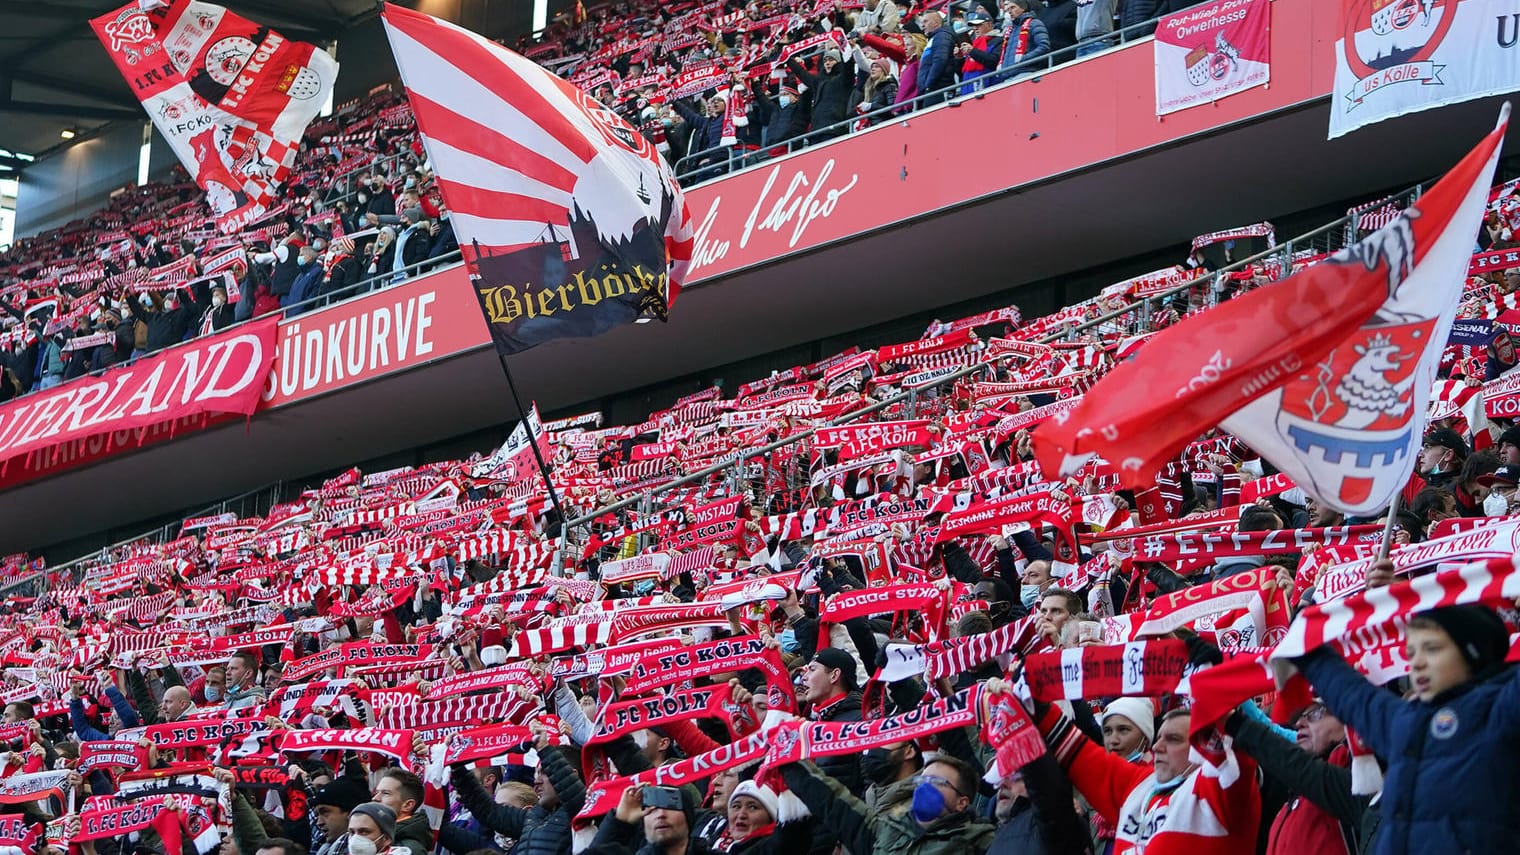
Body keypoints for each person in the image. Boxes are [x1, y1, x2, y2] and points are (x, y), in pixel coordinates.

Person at [1292, 604, 1520, 854]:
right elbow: (1350, 693)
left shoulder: (1502, 709)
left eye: (1432, 649)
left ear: (1473, 651)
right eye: (1411, 653)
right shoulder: (1404, 721)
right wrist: (1306, 637)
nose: (1417, 663)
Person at [1037, 703, 1262, 853]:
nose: (1157, 746)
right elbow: (1075, 749)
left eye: (1173, 739)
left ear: (1204, 748)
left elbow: (1233, 751)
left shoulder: (1218, 791)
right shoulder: (1140, 785)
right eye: (1160, 737)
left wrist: (1212, 695)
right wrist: (1035, 706)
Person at [780, 754, 997, 854]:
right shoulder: (885, 830)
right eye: (921, 780)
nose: (923, 787)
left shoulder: (980, 841)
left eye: (935, 782)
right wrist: (790, 761)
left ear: (962, 802)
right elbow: (832, 801)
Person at [372, 767, 434, 855]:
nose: (375, 798)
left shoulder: (411, 850)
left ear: (408, 805)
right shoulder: (375, 835)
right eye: (376, 792)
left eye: (386, 793)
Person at [916, 12, 957, 104]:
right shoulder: (934, 38)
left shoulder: (942, 36)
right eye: (922, 22)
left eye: (925, 21)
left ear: (936, 23)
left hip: (938, 89)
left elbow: (940, 60)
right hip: (932, 90)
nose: (922, 26)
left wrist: (928, 85)